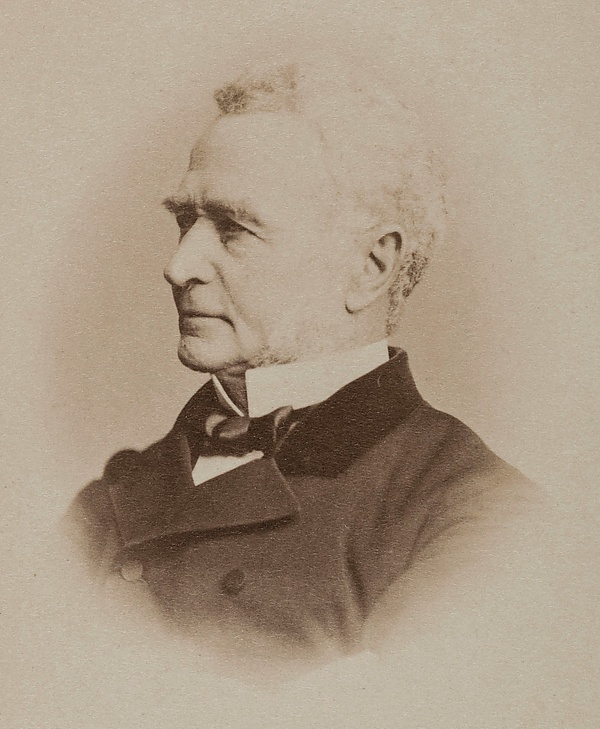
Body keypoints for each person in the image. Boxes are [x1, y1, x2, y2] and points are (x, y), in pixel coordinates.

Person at [66, 60, 541, 671]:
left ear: (369, 268)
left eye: (234, 229)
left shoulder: (479, 520)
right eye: (186, 221)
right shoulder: (106, 503)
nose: (178, 266)